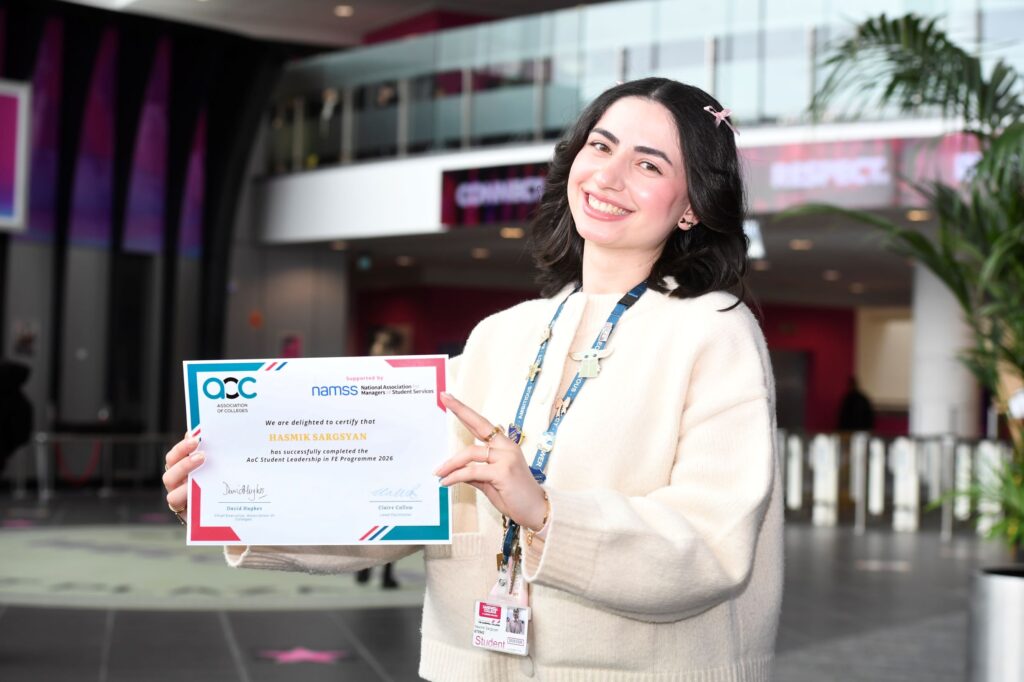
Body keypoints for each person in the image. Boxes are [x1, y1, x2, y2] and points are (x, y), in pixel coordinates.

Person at [163, 77, 782, 680]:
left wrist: (544, 513)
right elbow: (399, 497)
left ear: (694, 204)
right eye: (601, 145)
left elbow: (712, 546)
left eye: (649, 165)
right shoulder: (502, 336)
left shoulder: (714, 332)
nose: (609, 176)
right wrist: (234, 497)